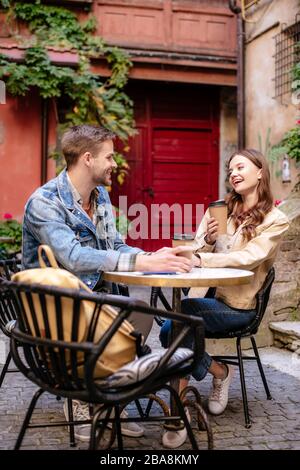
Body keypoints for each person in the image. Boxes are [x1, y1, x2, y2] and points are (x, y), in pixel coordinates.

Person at [22, 124, 192, 442]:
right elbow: (72, 256)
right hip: (55, 309)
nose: (115, 164)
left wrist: (155, 256)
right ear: (88, 158)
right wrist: (143, 263)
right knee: (112, 316)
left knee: (139, 313)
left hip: (96, 302)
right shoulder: (44, 203)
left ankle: (111, 396)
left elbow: (114, 246)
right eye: (110, 157)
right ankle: (81, 398)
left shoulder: (99, 196)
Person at [160, 148, 290, 448]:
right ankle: (218, 372)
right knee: (174, 328)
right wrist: (205, 241)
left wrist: (204, 260)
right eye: (230, 169)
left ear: (260, 172)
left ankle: (178, 413)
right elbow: (193, 251)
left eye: (240, 167)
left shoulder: (276, 219)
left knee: (180, 318)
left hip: (240, 308)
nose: (233, 173)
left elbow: (248, 258)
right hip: (206, 299)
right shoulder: (219, 210)